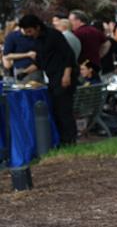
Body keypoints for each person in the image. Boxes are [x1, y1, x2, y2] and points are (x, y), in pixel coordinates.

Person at [17, 14, 78, 144]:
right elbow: (40, 61)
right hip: (52, 77)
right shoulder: (38, 41)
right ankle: (62, 139)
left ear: (37, 27)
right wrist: (24, 73)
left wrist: (66, 75)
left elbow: (68, 55)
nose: (28, 34)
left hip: (63, 75)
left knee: (64, 109)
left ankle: (70, 140)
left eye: (29, 31)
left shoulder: (54, 35)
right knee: (56, 108)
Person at [69, 11, 111, 82]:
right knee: (97, 86)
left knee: (86, 89)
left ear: (78, 20)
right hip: (96, 64)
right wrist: (100, 54)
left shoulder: (76, 34)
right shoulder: (95, 30)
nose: (70, 23)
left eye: (71, 21)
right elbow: (107, 43)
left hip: (82, 68)